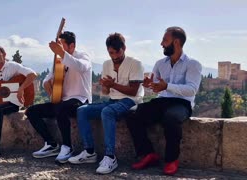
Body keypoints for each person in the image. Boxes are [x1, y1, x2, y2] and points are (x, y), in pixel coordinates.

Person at [126, 27, 202, 175]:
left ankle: (171, 160)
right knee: (132, 114)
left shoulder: (193, 64)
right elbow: (156, 86)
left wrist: (167, 86)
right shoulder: (160, 63)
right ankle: (148, 154)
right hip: (162, 101)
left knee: (171, 118)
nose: (161, 44)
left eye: (165, 41)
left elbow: (192, 89)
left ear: (176, 42)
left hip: (182, 103)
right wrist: (149, 84)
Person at [68, 32, 144, 174]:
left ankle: (110, 156)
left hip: (131, 101)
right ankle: (89, 151)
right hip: (113, 100)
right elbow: (107, 92)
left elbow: (133, 91)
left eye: (117, 52)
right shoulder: (107, 64)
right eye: (111, 53)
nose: (114, 56)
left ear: (124, 48)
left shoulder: (135, 64)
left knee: (107, 111)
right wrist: (105, 85)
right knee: (82, 110)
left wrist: (112, 84)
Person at [25, 31, 92, 163]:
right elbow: (48, 78)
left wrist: (61, 53)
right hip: (62, 101)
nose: (58, 49)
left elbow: (82, 67)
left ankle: (67, 146)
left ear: (71, 46)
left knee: (62, 108)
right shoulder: (59, 60)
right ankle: (51, 144)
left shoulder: (83, 56)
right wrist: (47, 84)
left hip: (80, 100)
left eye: (61, 46)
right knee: (32, 111)